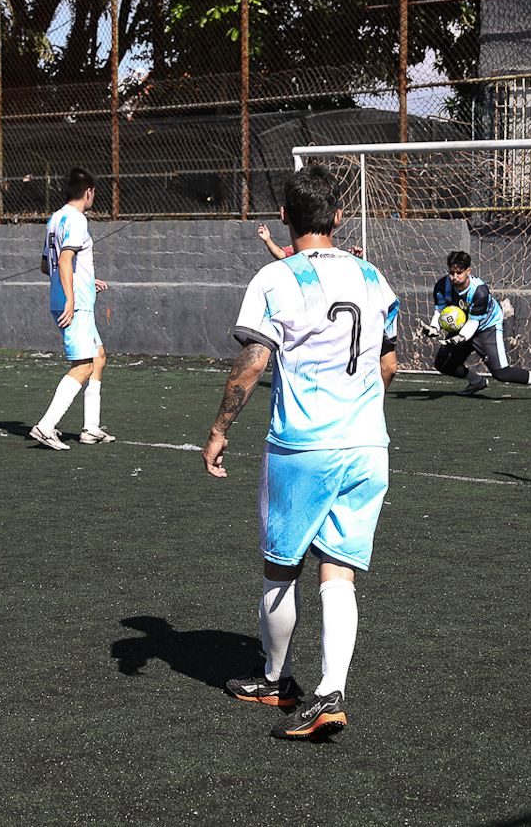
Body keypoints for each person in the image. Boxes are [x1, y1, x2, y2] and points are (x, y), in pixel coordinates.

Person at [204, 162, 399, 742]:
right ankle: (329, 693)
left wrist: (219, 428)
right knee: (338, 572)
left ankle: (275, 678)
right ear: (339, 217)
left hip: (304, 446)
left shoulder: (274, 278)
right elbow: (389, 363)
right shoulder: (373, 277)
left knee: (280, 564)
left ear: (285, 218)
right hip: (367, 445)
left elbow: (254, 361)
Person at [30, 167, 115, 450]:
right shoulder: (77, 219)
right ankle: (46, 426)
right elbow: (65, 259)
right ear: (88, 192)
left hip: (73, 297)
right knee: (84, 365)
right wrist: (72, 297)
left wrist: (87, 280)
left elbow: (47, 265)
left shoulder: (55, 219)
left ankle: (91, 429)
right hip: (74, 304)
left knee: (98, 357)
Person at [418, 251, 531, 400]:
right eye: (452, 273)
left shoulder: (479, 291)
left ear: (468, 271)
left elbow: (473, 323)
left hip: (486, 327)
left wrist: (461, 337)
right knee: (443, 364)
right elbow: (439, 312)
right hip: (464, 326)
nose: (455, 277)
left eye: (459, 273)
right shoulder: (442, 286)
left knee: (501, 373)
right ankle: (477, 381)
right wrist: (434, 328)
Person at [257, 223, 362, 260]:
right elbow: (280, 254)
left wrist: (353, 258)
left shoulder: (332, 253)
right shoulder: (301, 249)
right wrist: (268, 240)